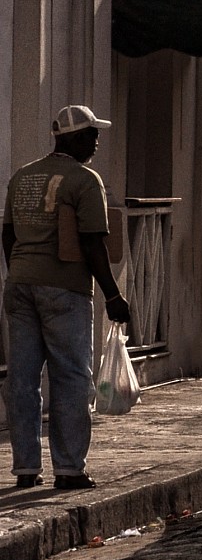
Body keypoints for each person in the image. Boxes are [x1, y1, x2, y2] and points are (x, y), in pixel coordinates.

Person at [5, 106, 133, 491]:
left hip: (20, 284)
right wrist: (113, 294)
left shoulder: (22, 176)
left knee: (23, 380)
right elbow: (93, 243)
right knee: (72, 378)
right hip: (65, 290)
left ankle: (26, 468)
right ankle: (68, 469)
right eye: (92, 134)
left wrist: (20, 269)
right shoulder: (84, 180)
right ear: (73, 138)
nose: (95, 141)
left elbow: (8, 235)